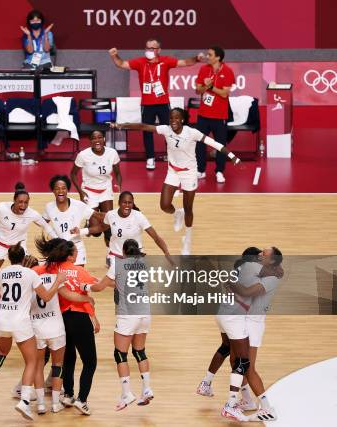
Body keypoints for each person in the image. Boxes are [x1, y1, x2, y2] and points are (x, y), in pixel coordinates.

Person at [112, 108, 242, 255]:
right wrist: (121, 125)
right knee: (164, 205)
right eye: (171, 118)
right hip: (173, 171)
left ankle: (187, 239)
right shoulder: (166, 130)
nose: (173, 121)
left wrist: (233, 156)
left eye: (176, 118)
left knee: (188, 209)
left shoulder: (192, 132)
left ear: (182, 120)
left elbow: (215, 144)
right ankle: (176, 213)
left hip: (189, 172)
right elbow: (143, 126)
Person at [0, 244, 66, 420]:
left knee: (1, 351)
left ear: (9, 257)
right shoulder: (30, 274)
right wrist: (58, 281)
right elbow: (46, 297)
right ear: (23, 256)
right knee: (32, 360)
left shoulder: (2, 273)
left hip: (1, 318)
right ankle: (24, 401)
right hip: (20, 321)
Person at [211, 247, 283, 421]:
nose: (259, 254)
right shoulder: (267, 270)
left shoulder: (271, 278)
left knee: (248, 367)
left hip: (253, 324)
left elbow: (246, 292)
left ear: (271, 260)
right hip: (245, 321)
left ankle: (267, 408)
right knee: (236, 361)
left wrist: (227, 280)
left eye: (263, 254)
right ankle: (247, 401)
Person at [109, 39, 203, 170]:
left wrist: (196, 58)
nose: (149, 50)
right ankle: (150, 158)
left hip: (163, 103)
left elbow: (185, 62)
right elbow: (122, 64)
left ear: (158, 50)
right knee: (147, 131)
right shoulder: (140, 62)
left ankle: (172, 156)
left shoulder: (166, 60)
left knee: (171, 130)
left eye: (152, 48)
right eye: (147, 48)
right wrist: (114, 55)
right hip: (147, 104)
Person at [83, 239, 155, 410]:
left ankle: (126, 393)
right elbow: (126, 283)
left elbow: (99, 288)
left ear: (123, 252)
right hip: (145, 313)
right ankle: (146, 389)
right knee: (139, 352)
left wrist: (86, 286)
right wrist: (109, 283)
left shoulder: (118, 263)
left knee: (120, 354)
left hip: (128, 314)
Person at [26, 237, 96, 414]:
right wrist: (90, 304)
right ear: (70, 255)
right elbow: (88, 289)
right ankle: (81, 400)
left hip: (56, 321)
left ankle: (65, 395)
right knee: (89, 361)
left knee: (67, 359)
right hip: (73, 319)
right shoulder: (76, 271)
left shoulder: (43, 269)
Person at [82, 191, 173, 272]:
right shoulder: (111, 215)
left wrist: (167, 253)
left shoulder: (139, 216)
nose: (127, 205)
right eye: (124, 202)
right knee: (121, 282)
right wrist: (81, 231)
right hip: (116, 255)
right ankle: (110, 266)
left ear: (133, 204)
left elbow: (156, 237)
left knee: (136, 284)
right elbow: (101, 227)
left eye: (130, 203)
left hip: (135, 255)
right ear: (119, 203)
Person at [70, 131, 121, 256]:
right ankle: (89, 223)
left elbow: (118, 173)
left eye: (99, 137)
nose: (97, 140)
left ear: (104, 139)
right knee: (96, 232)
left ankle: (110, 255)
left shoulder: (112, 153)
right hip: (89, 192)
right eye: (93, 138)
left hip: (106, 190)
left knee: (108, 225)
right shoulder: (83, 155)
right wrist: (81, 192)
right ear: (90, 141)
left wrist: (119, 184)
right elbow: (73, 174)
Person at [195, 46, 236, 183]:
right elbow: (197, 90)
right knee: (200, 144)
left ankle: (219, 171)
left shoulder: (228, 71)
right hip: (203, 115)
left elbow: (224, 93)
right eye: (207, 54)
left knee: (220, 145)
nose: (207, 57)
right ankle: (200, 170)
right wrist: (205, 86)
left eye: (210, 55)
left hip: (219, 116)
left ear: (218, 57)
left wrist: (211, 86)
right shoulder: (203, 69)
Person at [43, 175, 104, 266]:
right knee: (60, 279)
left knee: (77, 278)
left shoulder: (78, 205)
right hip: (59, 248)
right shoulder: (49, 207)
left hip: (76, 247)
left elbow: (99, 216)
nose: (60, 191)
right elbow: (43, 223)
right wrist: (53, 234)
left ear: (67, 190)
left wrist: (117, 215)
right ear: (53, 190)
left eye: (63, 188)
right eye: (57, 188)